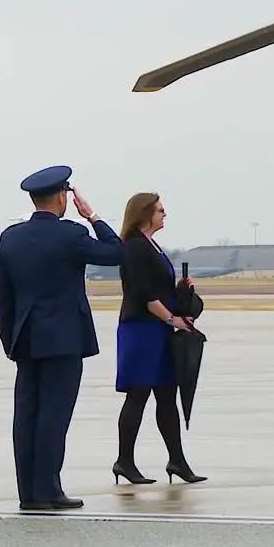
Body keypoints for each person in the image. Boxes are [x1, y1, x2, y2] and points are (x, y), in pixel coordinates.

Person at [0, 165, 124, 510]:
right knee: (54, 415)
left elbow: (2, 295)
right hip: (63, 338)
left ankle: (28, 492)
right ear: (63, 197)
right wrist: (93, 216)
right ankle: (48, 489)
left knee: (26, 416)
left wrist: (10, 339)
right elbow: (116, 253)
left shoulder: (11, 237)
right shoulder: (70, 234)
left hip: (25, 338)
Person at [111, 192, 206, 486]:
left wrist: (179, 291)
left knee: (167, 395)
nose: (165, 215)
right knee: (137, 395)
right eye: (160, 210)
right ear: (144, 213)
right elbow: (143, 293)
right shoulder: (135, 247)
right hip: (141, 329)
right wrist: (171, 318)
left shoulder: (152, 246)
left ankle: (177, 460)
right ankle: (124, 461)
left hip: (158, 329)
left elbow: (157, 288)